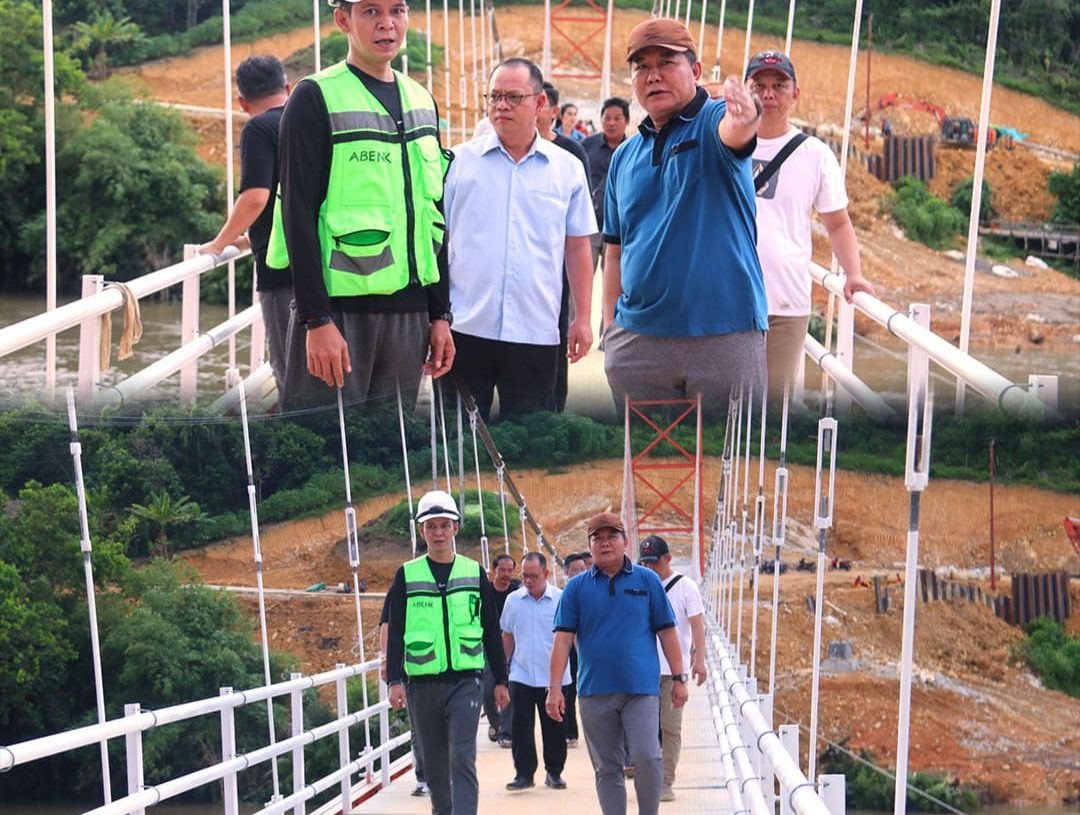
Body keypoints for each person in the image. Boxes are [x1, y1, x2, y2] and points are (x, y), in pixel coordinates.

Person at [267, 0, 454, 412]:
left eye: (398, 11)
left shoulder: (423, 99)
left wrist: (440, 314)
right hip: (338, 315)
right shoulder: (314, 98)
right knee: (318, 455)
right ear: (342, 20)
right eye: (371, 11)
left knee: (389, 460)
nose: (387, 24)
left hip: (409, 317)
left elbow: (434, 216)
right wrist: (316, 320)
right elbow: (296, 213)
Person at [601, 19, 767, 415]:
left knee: (728, 470)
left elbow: (736, 130)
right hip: (637, 343)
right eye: (641, 66)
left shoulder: (711, 122)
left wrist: (746, 117)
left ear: (695, 71)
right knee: (644, 471)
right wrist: (611, 330)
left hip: (723, 338)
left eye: (666, 62)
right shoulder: (625, 156)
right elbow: (614, 250)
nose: (653, 75)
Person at [445, 58, 596, 420]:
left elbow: (577, 247)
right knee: (459, 445)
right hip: (464, 328)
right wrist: (434, 317)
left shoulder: (566, 169)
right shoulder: (457, 163)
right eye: (494, 96)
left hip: (535, 331)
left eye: (513, 97)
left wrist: (583, 317)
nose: (501, 106)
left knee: (530, 448)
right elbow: (439, 241)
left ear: (540, 103)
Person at [745, 50, 876, 398]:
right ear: (746, 91)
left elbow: (837, 224)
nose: (768, 94)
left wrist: (854, 273)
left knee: (776, 406)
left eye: (778, 85)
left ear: (795, 94)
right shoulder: (726, 144)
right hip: (727, 299)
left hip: (785, 303)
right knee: (726, 407)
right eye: (758, 85)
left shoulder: (815, 154)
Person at [546, 513, 687, 815]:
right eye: (598, 538)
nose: (605, 543)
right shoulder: (575, 588)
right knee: (607, 767)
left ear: (625, 542)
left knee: (648, 756)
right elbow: (562, 640)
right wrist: (555, 688)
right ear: (590, 546)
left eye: (612, 536)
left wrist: (679, 677)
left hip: (641, 689)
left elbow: (667, 630)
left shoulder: (647, 580)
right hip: (594, 691)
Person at [385, 490, 509, 815]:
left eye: (444, 525)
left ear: (455, 528)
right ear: (422, 531)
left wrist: (502, 680)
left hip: (466, 681)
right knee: (435, 763)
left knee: (461, 756)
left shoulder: (473, 572)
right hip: (422, 684)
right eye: (431, 526)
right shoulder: (406, 575)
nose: (438, 533)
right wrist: (393, 680)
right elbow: (395, 630)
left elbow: (491, 630)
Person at [199, 55, 291, 395]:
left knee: (291, 372)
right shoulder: (315, 122)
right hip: (331, 266)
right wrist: (251, 237)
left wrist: (220, 242)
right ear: (288, 87)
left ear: (242, 101)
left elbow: (256, 197)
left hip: (283, 271)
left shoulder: (259, 128)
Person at [637, 535, 707, 802]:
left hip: (672, 671)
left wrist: (699, 660)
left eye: (654, 562)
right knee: (642, 728)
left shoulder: (686, 586)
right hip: (642, 668)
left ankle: (665, 782)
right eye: (644, 562)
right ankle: (647, 776)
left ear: (668, 559)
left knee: (669, 727)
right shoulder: (639, 583)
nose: (649, 567)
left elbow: (697, 624)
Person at [538, 81, 592, 413]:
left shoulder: (572, 153)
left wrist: (583, 315)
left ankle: (554, 411)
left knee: (554, 340)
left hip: (556, 267)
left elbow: (578, 224)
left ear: (552, 111)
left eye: (541, 103)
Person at [500, 552, 571, 790]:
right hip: (521, 674)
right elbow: (507, 635)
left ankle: (554, 772)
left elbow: (572, 638)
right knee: (520, 726)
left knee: (555, 726)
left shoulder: (562, 599)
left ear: (546, 574)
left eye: (534, 576)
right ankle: (524, 774)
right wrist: (501, 672)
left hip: (554, 677)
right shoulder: (513, 601)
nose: (528, 581)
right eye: (525, 576)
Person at [379, 593, 428, 796]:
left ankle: (444, 773)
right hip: (413, 668)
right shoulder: (403, 585)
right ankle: (424, 777)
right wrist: (386, 661)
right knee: (419, 726)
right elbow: (387, 625)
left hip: (447, 671)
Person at [582, 97, 630, 276]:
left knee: (616, 283)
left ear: (627, 121)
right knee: (581, 281)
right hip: (590, 226)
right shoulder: (587, 145)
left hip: (621, 229)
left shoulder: (633, 148)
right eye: (607, 118)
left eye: (617, 118)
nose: (611, 123)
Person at [484, 553, 520, 747]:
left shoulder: (517, 593)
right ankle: (496, 724)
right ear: (494, 570)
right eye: (502, 570)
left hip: (512, 642)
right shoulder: (485, 591)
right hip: (488, 645)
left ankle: (506, 732)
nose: (506, 574)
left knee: (508, 686)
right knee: (487, 690)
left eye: (509, 570)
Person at [561, 552, 589, 747]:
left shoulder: (595, 590)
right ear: (566, 572)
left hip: (590, 646)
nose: (579, 573)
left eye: (582, 569)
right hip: (568, 646)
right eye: (574, 570)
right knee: (568, 688)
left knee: (589, 687)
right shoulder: (562, 595)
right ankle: (571, 732)